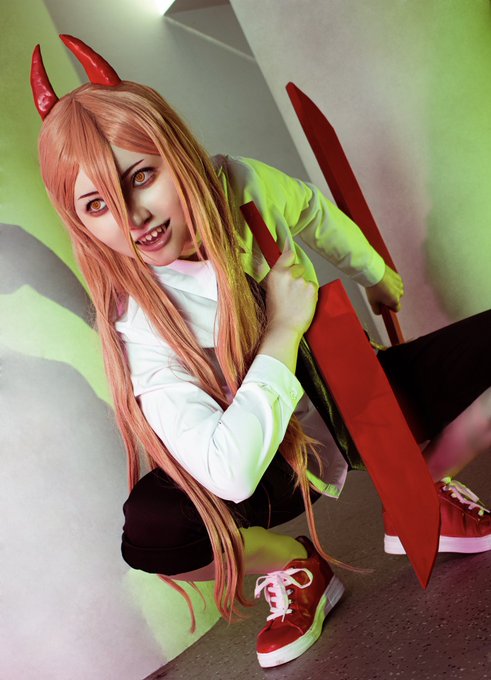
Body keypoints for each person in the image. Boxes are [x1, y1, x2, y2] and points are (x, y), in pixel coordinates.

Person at [32, 36, 491, 669]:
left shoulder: (240, 182)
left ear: (175, 154)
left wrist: (375, 275)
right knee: (152, 532)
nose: (133, 217)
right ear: (81, 223)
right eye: (97, 205)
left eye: (141, 176)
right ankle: (295, 566)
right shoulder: (137, 325)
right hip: (271, 462)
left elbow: (315, 214)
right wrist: (282, 328)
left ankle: (424, 487)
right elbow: (230, 473)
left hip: (357, 396)